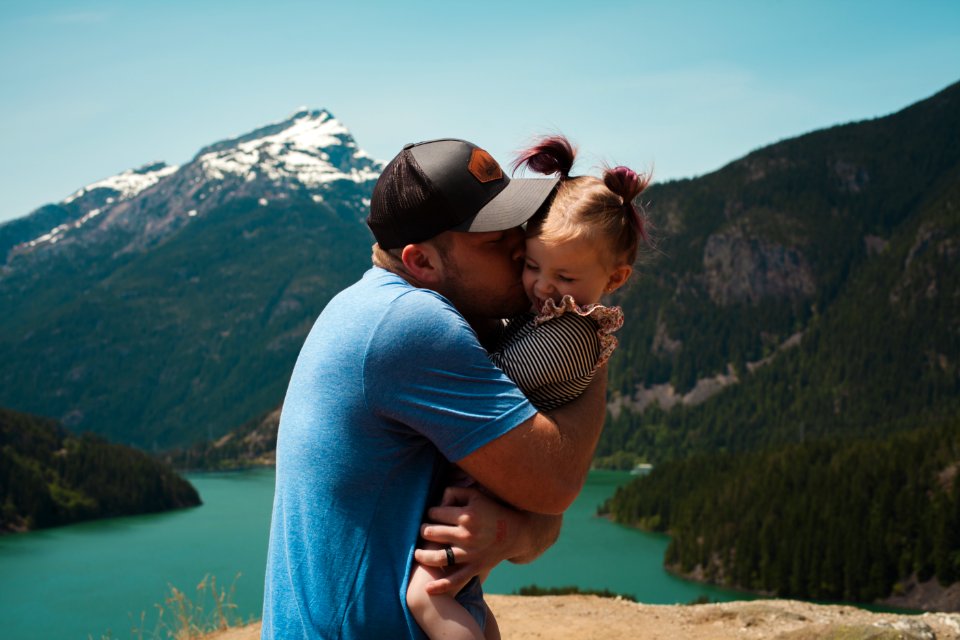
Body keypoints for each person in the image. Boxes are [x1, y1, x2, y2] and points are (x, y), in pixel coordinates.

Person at [261, 138, 611, 639]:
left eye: (516, 225)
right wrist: (591, 336)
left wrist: (511, 531)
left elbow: (537, 511)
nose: (520, 246)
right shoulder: (412, 325)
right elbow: (554, 483)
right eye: (493, 238)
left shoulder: (370, 304)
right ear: (421, 261)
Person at [405, 135, 651, 639]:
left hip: (493, 479)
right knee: (462, 592)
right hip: (501, 473)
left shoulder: (569, 333)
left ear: (616, 277)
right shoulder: (558, 315)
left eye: (563, 275)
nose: (541, 286)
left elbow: (493, 377)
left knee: (427, 595)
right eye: (531, 265)